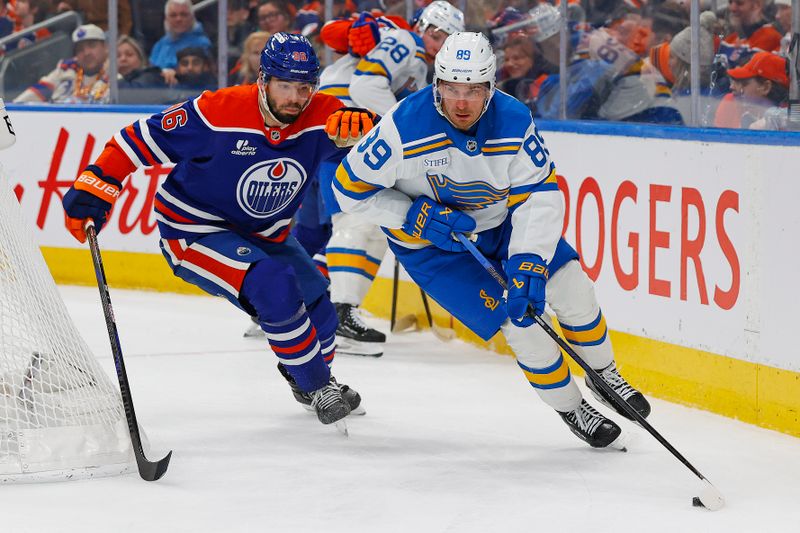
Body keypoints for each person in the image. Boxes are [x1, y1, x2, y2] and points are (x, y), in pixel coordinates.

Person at [332, 32, 652, 448]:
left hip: (501, 226)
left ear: (491, 87)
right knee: (521, 326)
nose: (461, 102)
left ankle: (604, 373)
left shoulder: (514, 119)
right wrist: (411, 215)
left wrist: (528, 264)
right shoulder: (401, 126)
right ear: (436, 85)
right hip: (434, 251)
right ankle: (573, 408)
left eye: (473, 90)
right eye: (451, 89)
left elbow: (539, 195)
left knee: (572, 287)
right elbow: (349, 189)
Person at [61, 33, 376, 428]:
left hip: (266, 236)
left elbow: (380, 141)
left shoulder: (324, 116)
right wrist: (97, 185)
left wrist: (368, 127)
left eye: (305, 87)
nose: (296, 98)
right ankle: (318, 386)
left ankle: (304, 379)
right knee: (274, 284)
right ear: (263, 80)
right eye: (285, 86)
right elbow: (135, 139)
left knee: (321, 311)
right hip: (194, 233)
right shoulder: (216, 111)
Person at [319, 1, 464, 357]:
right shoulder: (405, 40)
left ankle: (324, 308)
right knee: (360, 218)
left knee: (369, 221)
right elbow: (366, 85)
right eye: (436, 33)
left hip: (345, 131)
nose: (439, 42)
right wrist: (402, 132)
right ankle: (338, 313)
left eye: (448, 38)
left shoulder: (425, 66)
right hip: (341, 127)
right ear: (423, 28)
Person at [14, 24, 109, 104]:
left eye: (92, 45)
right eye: (80, 49)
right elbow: (34, 94)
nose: (86, 53)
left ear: (105, 47)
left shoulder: (114, 76)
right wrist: (10, 109)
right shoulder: (65, 71)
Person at [149, 0, 213, 73]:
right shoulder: (159, 45)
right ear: (166, 19)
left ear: (192, 17)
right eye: (173, 15)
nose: (178, 19)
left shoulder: (202, 44)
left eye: (184, 14)